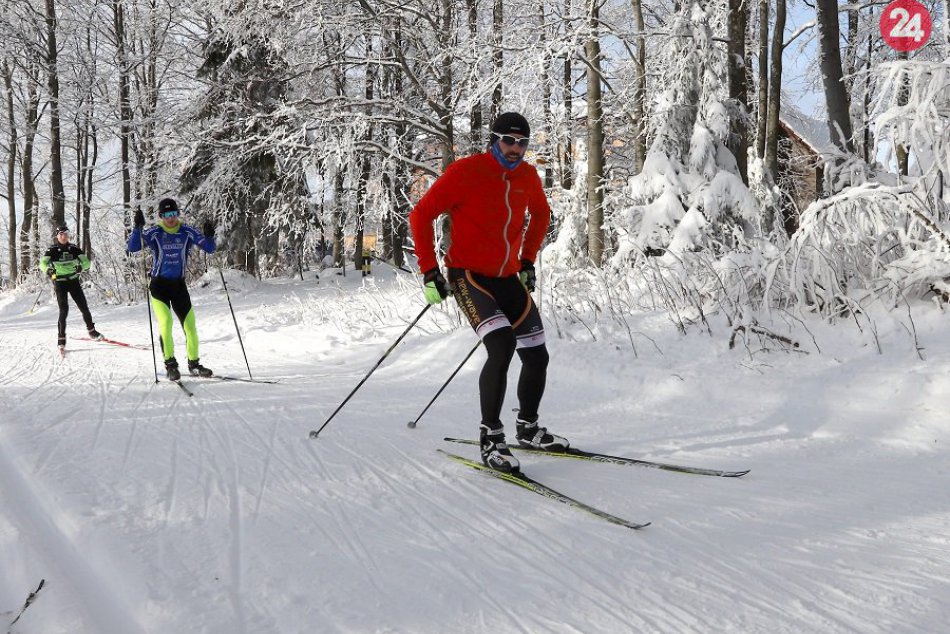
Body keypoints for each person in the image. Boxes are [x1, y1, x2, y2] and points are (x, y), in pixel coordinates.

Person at [408, 111, 567, 473]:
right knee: (502, 344)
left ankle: (527, 428)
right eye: (508, 141)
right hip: (468, 275)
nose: (515, 149)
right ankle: (491, 437)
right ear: (494, 140)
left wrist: (527, 261)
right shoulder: (466, 172)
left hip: (507, 276)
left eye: (522, 143)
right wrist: (430, 270)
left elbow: (541, 215)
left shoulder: (527, 176)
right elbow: (421, 215)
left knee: (537, 354)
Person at [127, 198, 216, 380]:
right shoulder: (155, 232)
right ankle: (171, 366)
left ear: (177, 214)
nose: (171, 218)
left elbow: (210, 249)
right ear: (161, 216)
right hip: (159, 286)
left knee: (190, 326)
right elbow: (132, 247)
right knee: (166, 323)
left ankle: (194, 365)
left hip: (178, 286)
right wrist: (138, 228)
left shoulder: (186, 231)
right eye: (167, 215)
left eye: (173, 213)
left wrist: (209, 236)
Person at [39, 224, 103, 351]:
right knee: (64, 310)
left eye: (66, 234)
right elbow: (42, 263)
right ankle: (61, 338)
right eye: (61, 234)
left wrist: (81, 267)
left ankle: (92, 331)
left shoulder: (74, 248)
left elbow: (87, 262)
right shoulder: (52, 250)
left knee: (84, 307)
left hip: (73, 281)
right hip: (60, 282)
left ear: (68, 235)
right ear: (57, 236)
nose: (63, 237)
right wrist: (48, 270)